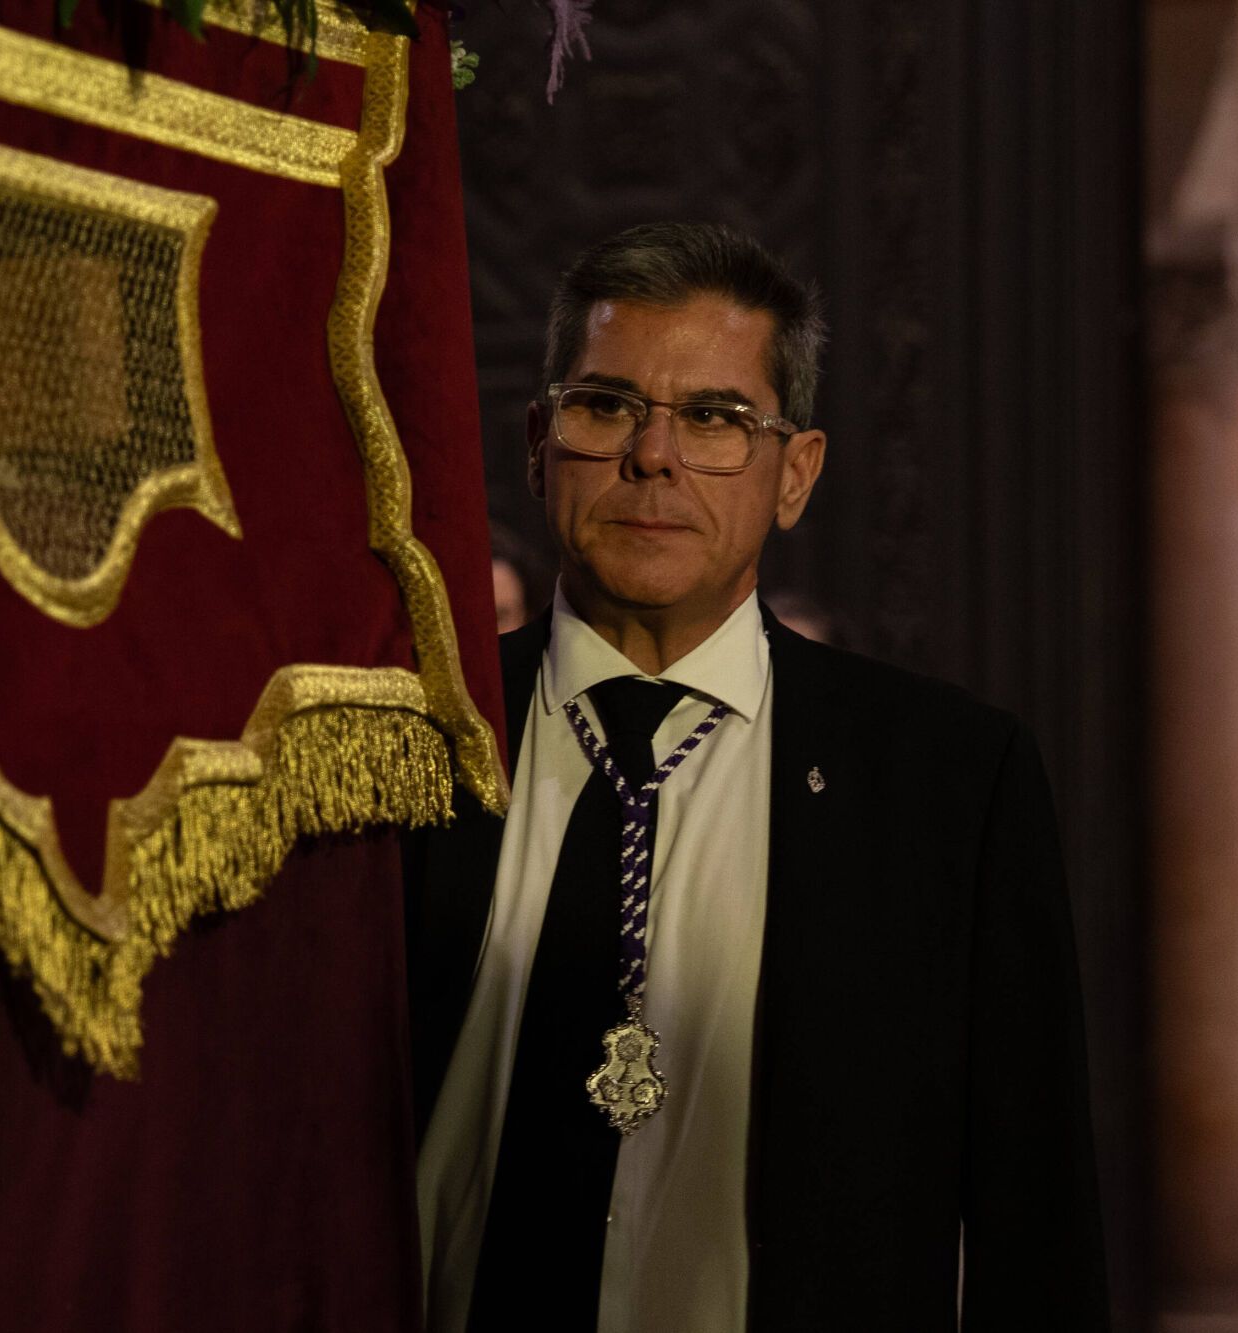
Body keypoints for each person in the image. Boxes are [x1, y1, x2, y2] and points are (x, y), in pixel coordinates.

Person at [405, 222, 1107, 1331]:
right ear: (538, 443)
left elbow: (1035, 1219)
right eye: (605, 406)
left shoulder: (945, 785)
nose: (653, 456)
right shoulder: (411, 741)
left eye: (717, 419)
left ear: (795, 474)